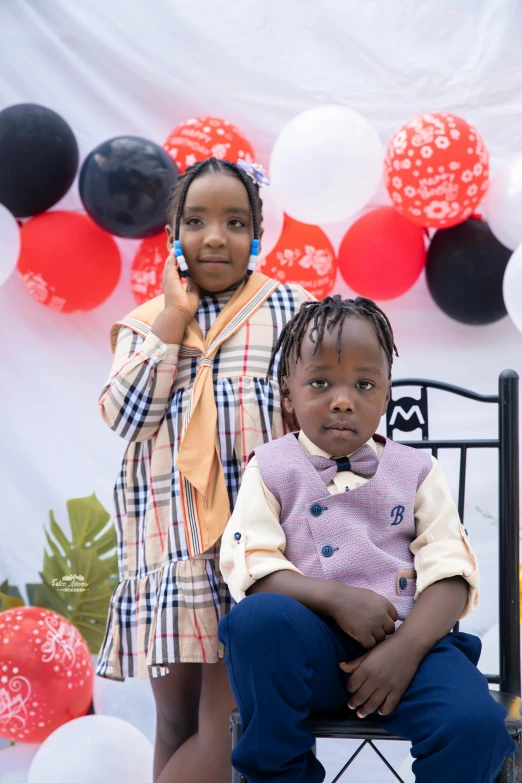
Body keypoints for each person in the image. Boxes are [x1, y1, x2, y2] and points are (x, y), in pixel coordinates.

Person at [219, 295, 515, 783]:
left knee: (475, 727)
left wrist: (406, 651)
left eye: (364, 384)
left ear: (385, 395)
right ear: (287, 395)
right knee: (254, 622)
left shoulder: (417, 470)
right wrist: (335, 598)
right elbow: (250, 566)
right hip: (308, 657)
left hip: (409, 650)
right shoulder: (269, 467)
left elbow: (451, 574)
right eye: (320, 382)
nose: (342, 399)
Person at [95, 157, 313, 783]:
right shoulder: (145, 324)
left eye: (234, 222)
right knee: (175, 723)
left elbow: (322, 414)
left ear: (258, 235)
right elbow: (125, 416)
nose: (214, 236)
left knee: (224, 738)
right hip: (170, 552)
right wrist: (171, 316)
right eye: (196, 221)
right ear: (172, 237)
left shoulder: (293, 312)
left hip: (254, 556)